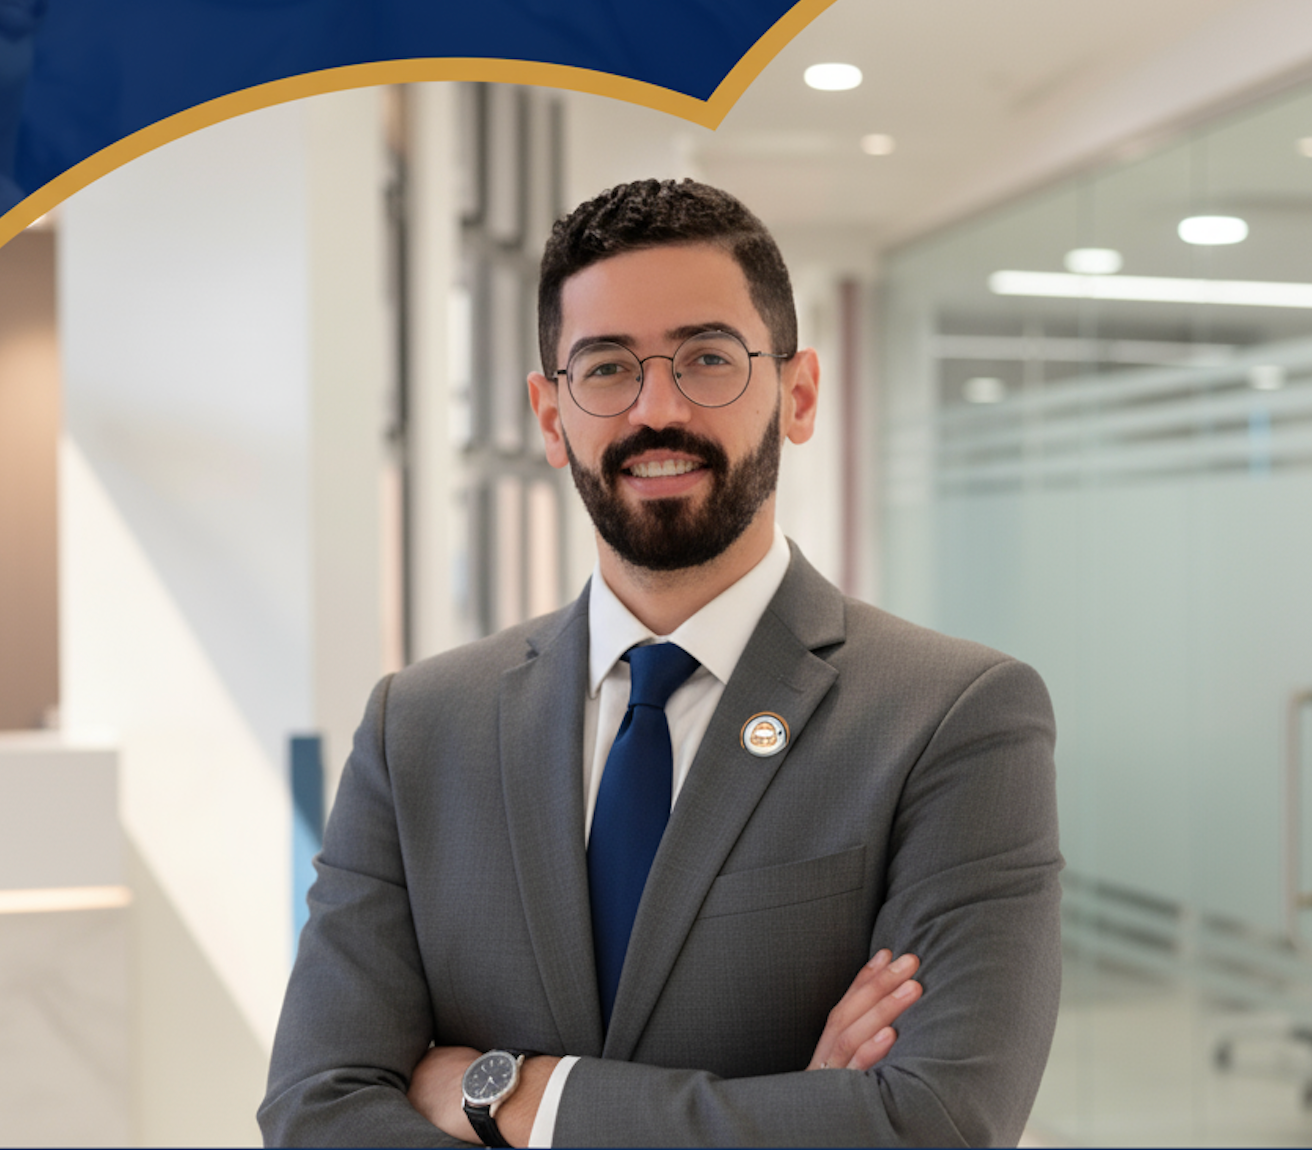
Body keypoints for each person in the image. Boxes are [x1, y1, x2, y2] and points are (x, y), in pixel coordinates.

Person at [259, 178, 1062, 1148]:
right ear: (550, 416)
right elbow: (316, 1110)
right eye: (605, 368)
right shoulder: (418, 728)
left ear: (797, 393)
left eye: (707, 358)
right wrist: (791, 1116)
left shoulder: (952, 719)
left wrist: (511, 1096)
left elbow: (935, 1122)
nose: (657, 409)